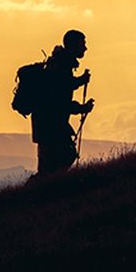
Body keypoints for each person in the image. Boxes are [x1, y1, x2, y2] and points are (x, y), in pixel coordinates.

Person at [30, 29, 94, 176]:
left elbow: (63, 90)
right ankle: (33, 194)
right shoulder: (61, 67)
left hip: (48, 125)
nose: (85, 48)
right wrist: (82, 107)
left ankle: (39, 193)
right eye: (82, 44)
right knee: (54, 165)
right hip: (50, 126)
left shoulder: (60, 65)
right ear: (72, 45)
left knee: (55, 163)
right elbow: (59, 102)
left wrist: (79, 82)